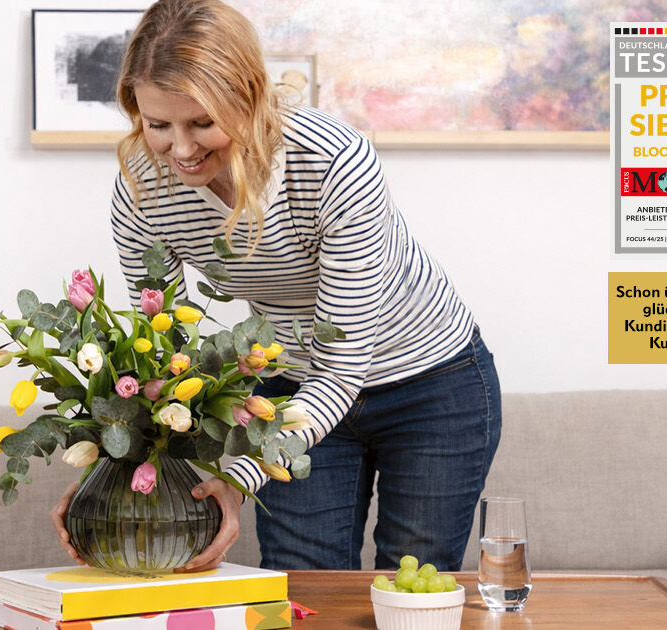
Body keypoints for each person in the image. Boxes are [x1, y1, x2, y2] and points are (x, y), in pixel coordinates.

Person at [50, 0, 501, 574]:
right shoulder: (144, 189)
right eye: (157, 125)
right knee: (302, 581)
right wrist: (117, 472)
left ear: (251, 96)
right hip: (285, 385)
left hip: (431, 384)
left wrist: (238, 473)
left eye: (202, 123)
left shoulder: (334, 161)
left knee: (412, 582)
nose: (181, 150)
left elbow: (342, 367)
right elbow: (164, 357)